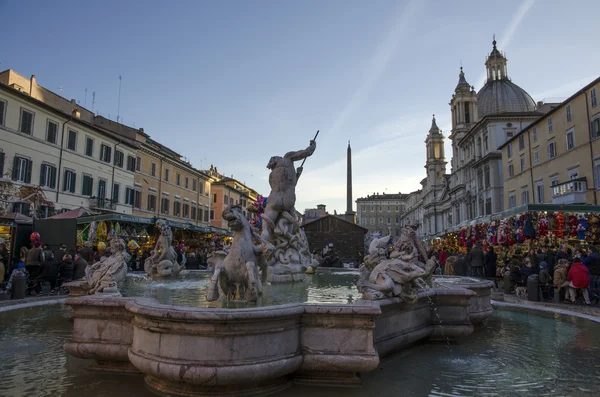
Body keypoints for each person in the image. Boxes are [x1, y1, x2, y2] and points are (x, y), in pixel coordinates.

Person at [261, 139, 317, 244]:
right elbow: (306, 153)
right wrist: (313, 145)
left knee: (266, 228)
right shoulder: (287, 158)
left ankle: (264, 249)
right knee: (291, 221)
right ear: (276, 159)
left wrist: (298, 174)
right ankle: (289, 245)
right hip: (288, 199)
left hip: (275, 198)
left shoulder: (271, 176)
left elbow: (276, 188)